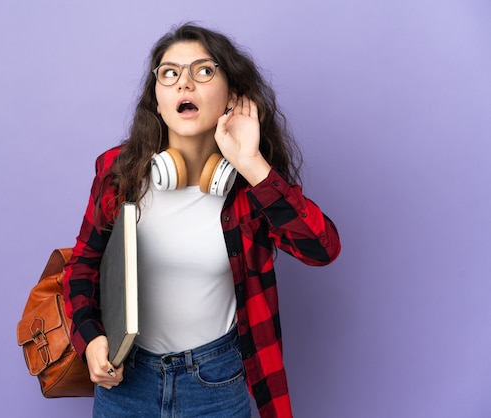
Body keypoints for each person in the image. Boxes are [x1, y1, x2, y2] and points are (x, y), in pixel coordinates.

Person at [63, 23, 341, 418]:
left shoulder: (251, 188)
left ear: (232, 96)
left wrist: (251, 162)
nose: (184, 84)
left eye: (204, 71)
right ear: (156, 101)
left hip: (216, 384)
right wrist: (90, 339)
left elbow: (322, 248)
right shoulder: (118, 172)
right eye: (169, 73)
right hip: (127, 381)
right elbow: (82, 268)